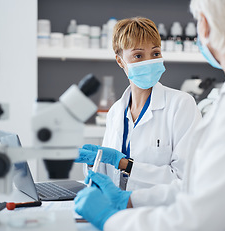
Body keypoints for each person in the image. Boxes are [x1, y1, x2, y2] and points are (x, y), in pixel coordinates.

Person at [75, 0, 225, 231]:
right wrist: (129, 199)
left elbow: (196, 220)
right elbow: (197, 185)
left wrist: (110, 219)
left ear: (207, 25)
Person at [75, 17, 201, 191]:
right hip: (118, 209)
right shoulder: (116, 112)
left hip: (159, 213)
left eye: (155, 53)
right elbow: (107, 177)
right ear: (120, 61)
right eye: (138, 55)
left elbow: (184, 179)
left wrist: (124, 164)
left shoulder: (181, 105)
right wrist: (94, 162)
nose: (149, 61)